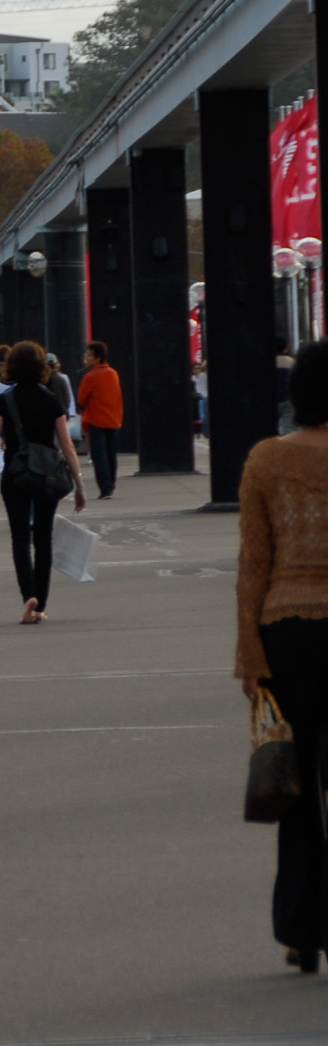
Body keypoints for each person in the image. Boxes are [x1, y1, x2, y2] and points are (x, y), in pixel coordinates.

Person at [235, 336, 328, 974]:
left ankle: (302, 929)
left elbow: (253, 567)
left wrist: (250, 655)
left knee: (299, 786)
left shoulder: (265, 460)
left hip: (288, 633)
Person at [0, 339, 86, 621]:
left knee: (19, 538)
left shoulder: (4, 400)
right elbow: (67, 445)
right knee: (43, 539)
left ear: (12, 368)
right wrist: (79, 485)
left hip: (16, 474)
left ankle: (28, 596)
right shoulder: (51, 399)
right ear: (41, 367)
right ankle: (41, 605)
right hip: (47, 475)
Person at [78, 341, 123, 499]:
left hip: (96, 419)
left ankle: (105, 488)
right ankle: (111, 483)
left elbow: (81, 398)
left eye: (89, 355)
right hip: (113, 419)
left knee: (99, 455)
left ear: (97, 357)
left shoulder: (90, 376)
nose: (86, 358)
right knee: (111, 454)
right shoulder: (113, 373)